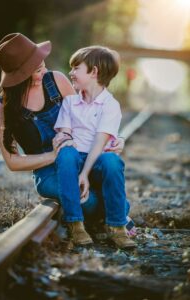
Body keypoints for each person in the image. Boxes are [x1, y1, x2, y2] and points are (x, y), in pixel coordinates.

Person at [0, 33, 134, 249]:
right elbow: (12, 162)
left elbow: (89, 115)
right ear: (20, 76)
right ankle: (108, 215)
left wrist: (117, 138)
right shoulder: (2, 108)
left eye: (43, 65)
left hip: (78, 158)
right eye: (37, 70)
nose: (44, 71)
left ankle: (115, 219)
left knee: (108, 169)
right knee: (89, 201)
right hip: (48, 171)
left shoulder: (56, 81)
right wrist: (53, 155)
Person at [53, 46, 136, 249]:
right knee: (66, 154)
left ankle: (117, 227)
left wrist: (85, 174)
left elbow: (100, 143)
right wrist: (63, 138)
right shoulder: (70, 102)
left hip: (97, 159)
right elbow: (65, 134)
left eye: (76, 68)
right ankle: (75, 224)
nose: (70, 73)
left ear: (94, 71)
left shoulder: (110, 104)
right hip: (74, 157)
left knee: (112, 161)